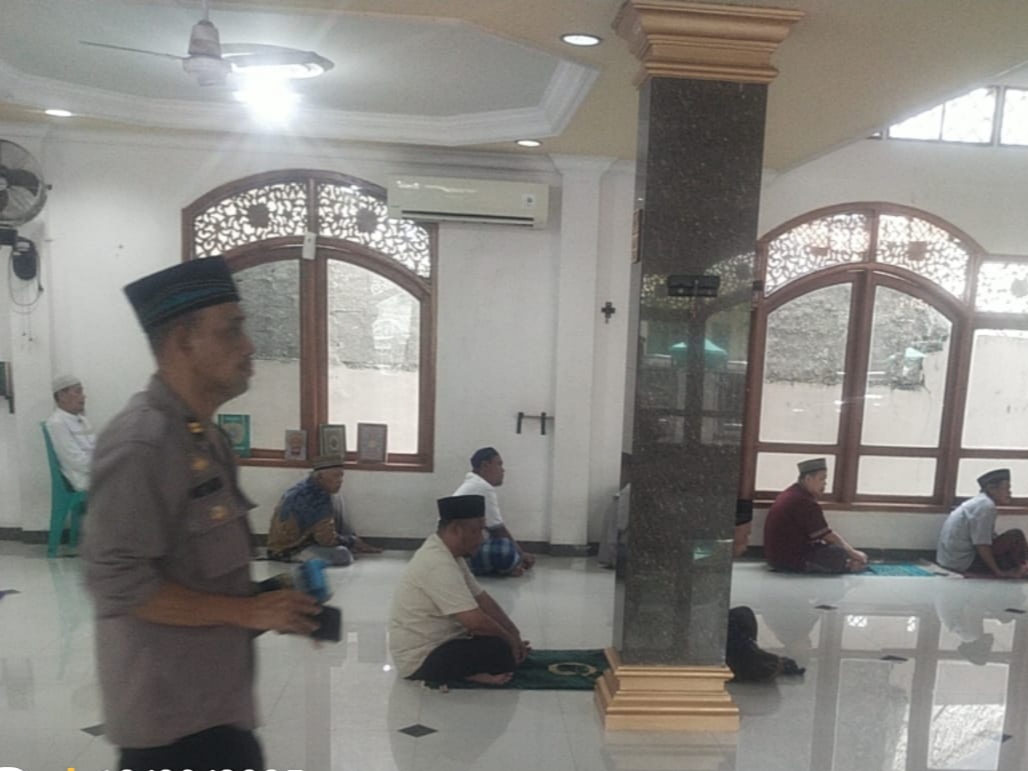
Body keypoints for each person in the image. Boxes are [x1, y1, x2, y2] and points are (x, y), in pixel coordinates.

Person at [82, 257, 321, 771]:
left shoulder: (205, 438)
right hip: (169, 726)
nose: (249, 345)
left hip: (216, 709)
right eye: (232, 329)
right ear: (183, 341)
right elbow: (118, 583)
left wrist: (268, 602)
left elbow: (199, 574)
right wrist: (247, 613)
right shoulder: (141, 444)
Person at [389, 494, 530, 685]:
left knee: (500, 644)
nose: (481, 538)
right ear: (456, 529)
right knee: (500, 651)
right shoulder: (437, 563)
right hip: (421, 659)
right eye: (477, 531)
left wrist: (513, 633)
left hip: (446, 642)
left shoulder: (451, 554)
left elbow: (482, 599)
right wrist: (510, 642)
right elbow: (476, 623)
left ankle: (474, 667)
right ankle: (465, 675)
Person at [267, 454, 383, 564]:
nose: (340, 480)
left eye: (341, 476)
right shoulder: (316, 497)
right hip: (289, 549)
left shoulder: (308, 486)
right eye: (336, 476)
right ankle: (355, 544)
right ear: (320, 477)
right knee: (343, 555)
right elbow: (326, 540)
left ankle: (355, 543)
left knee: (338, 499)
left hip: (305, 539)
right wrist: (352, 541)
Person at [763, 457, 868, 573]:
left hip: (776, 557)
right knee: (837, 553)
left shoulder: (792, 493)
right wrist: (853, 553)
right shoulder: (803, 502)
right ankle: (850, 567)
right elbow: (827, 536)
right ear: (808, 479)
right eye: (822, 479)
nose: (825, 483)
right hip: (788, 559)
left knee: (833, 550)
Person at [453, 447, 535, 576]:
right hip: (461, 550)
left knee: (504, 547)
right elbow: (497, 530)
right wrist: (521, 554)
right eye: (499, 464)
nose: (503, 470)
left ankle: (508, 565)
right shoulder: (482, 487)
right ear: (485, 465)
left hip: (458, 547)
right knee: (505, 550)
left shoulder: (475, 484)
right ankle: (471, 565)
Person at [936, 468, 1028, 578]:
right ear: (992, 489)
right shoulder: (986, 506)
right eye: (1006, 488)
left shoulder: (980, 502)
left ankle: (1022, 568)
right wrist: (998, 572)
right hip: (962, 562)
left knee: (1007, 551)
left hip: (948, 560)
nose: (1010, 492)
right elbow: (982, 545)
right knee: (1015, 536)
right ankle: (1024, 569)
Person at [46, 374, 97, 492]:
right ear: (62, 396)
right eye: (78, 392)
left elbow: (96, 447)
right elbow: (76, 461)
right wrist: (105, 464)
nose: (83, 396)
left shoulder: (82, 419)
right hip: (83, 478)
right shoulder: (57, 423)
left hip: (95, 469)